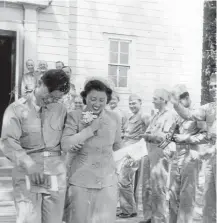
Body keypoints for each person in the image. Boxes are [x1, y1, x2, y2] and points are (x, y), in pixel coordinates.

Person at [0, 69, 70, 223]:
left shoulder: (61, 109)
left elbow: (68, 139)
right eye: (50, 95)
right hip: (27, 172)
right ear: (39, 83)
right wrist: (29, 164)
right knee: (28, 218)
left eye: (56, 98)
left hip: (55, 173)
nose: (51, 100)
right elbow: (8, 142)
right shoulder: (16, 110)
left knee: (54, 220)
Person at [61, 77, 121, 223]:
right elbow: (65, 144)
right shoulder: (74, 116)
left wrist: (128, 158)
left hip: (107, 181)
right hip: (81, 180)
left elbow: (118, 145)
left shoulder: (115, 118)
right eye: (93, 99)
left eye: (102, 100)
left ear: (107, 100)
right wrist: (90, 129)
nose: (97, 104)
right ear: (84, 97)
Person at [171, 73, 216, 223]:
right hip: (207, 157)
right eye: (211, 86)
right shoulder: (207, 108)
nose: (213, 89)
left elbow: (202, 135)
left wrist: (188, 139)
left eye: (216, 86)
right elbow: (189, 115)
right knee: (208, 197)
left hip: (202, 153)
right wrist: (176, 104)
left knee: (190, 196)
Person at [141, 88, 176, 223]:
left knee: (159, 188)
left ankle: (160, 219)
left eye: (155, 98)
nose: (153, 100)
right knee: (147, 187)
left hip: (160, 154)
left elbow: (165, 137)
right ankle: (149, 217)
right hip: (150, 153)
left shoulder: (169, 115)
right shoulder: (156, 115)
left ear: (163, 100)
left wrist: (149, 136)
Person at [117, 94, 150, 218]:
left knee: (123, 180)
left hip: (135, 152)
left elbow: (151, 130)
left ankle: (129, 209)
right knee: (129, 182)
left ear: (140, 102)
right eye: (130, 103)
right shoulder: (132, 117)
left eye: (134, 103)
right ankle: (129, 208)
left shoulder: (144, 115)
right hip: (128, 151)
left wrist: (142, 144)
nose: (132, 106)